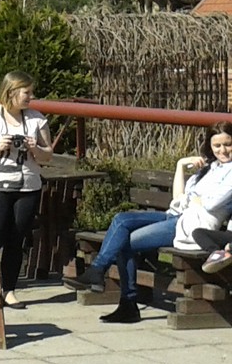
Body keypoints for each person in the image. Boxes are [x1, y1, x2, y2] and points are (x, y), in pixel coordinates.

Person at [76, 121, 232, 322]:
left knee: (122, 241)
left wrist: (194, 199)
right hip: (176, 216)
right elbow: (178, 198)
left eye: (227, 144)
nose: (222, 150)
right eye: (217, 145)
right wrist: (180, 165)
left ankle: (122, 297)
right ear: (209, 146)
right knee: (121, 220)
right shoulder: (209, 168)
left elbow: (211, 204)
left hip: (189, 226)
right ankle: (101, 273)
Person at [0, 71, 55, 307]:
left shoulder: (36, 120)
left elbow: (47, 156)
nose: (31, 97)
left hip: (27, 186)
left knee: (17, 239)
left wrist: (35, 148)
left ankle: (8, 290)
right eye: (27, 92)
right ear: (12, 91)